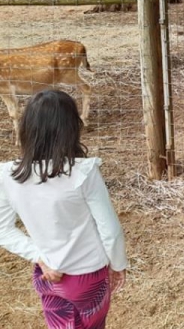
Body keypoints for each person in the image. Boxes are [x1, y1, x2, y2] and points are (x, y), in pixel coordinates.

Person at [0, 90, 127, 329]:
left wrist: (38, 256)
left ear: (27, 128)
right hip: (88, 276)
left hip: (48, 275)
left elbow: (3, 229)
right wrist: (118, 265)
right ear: (70, 128)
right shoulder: (83, 172)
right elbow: (110, 231)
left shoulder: (7, 175)